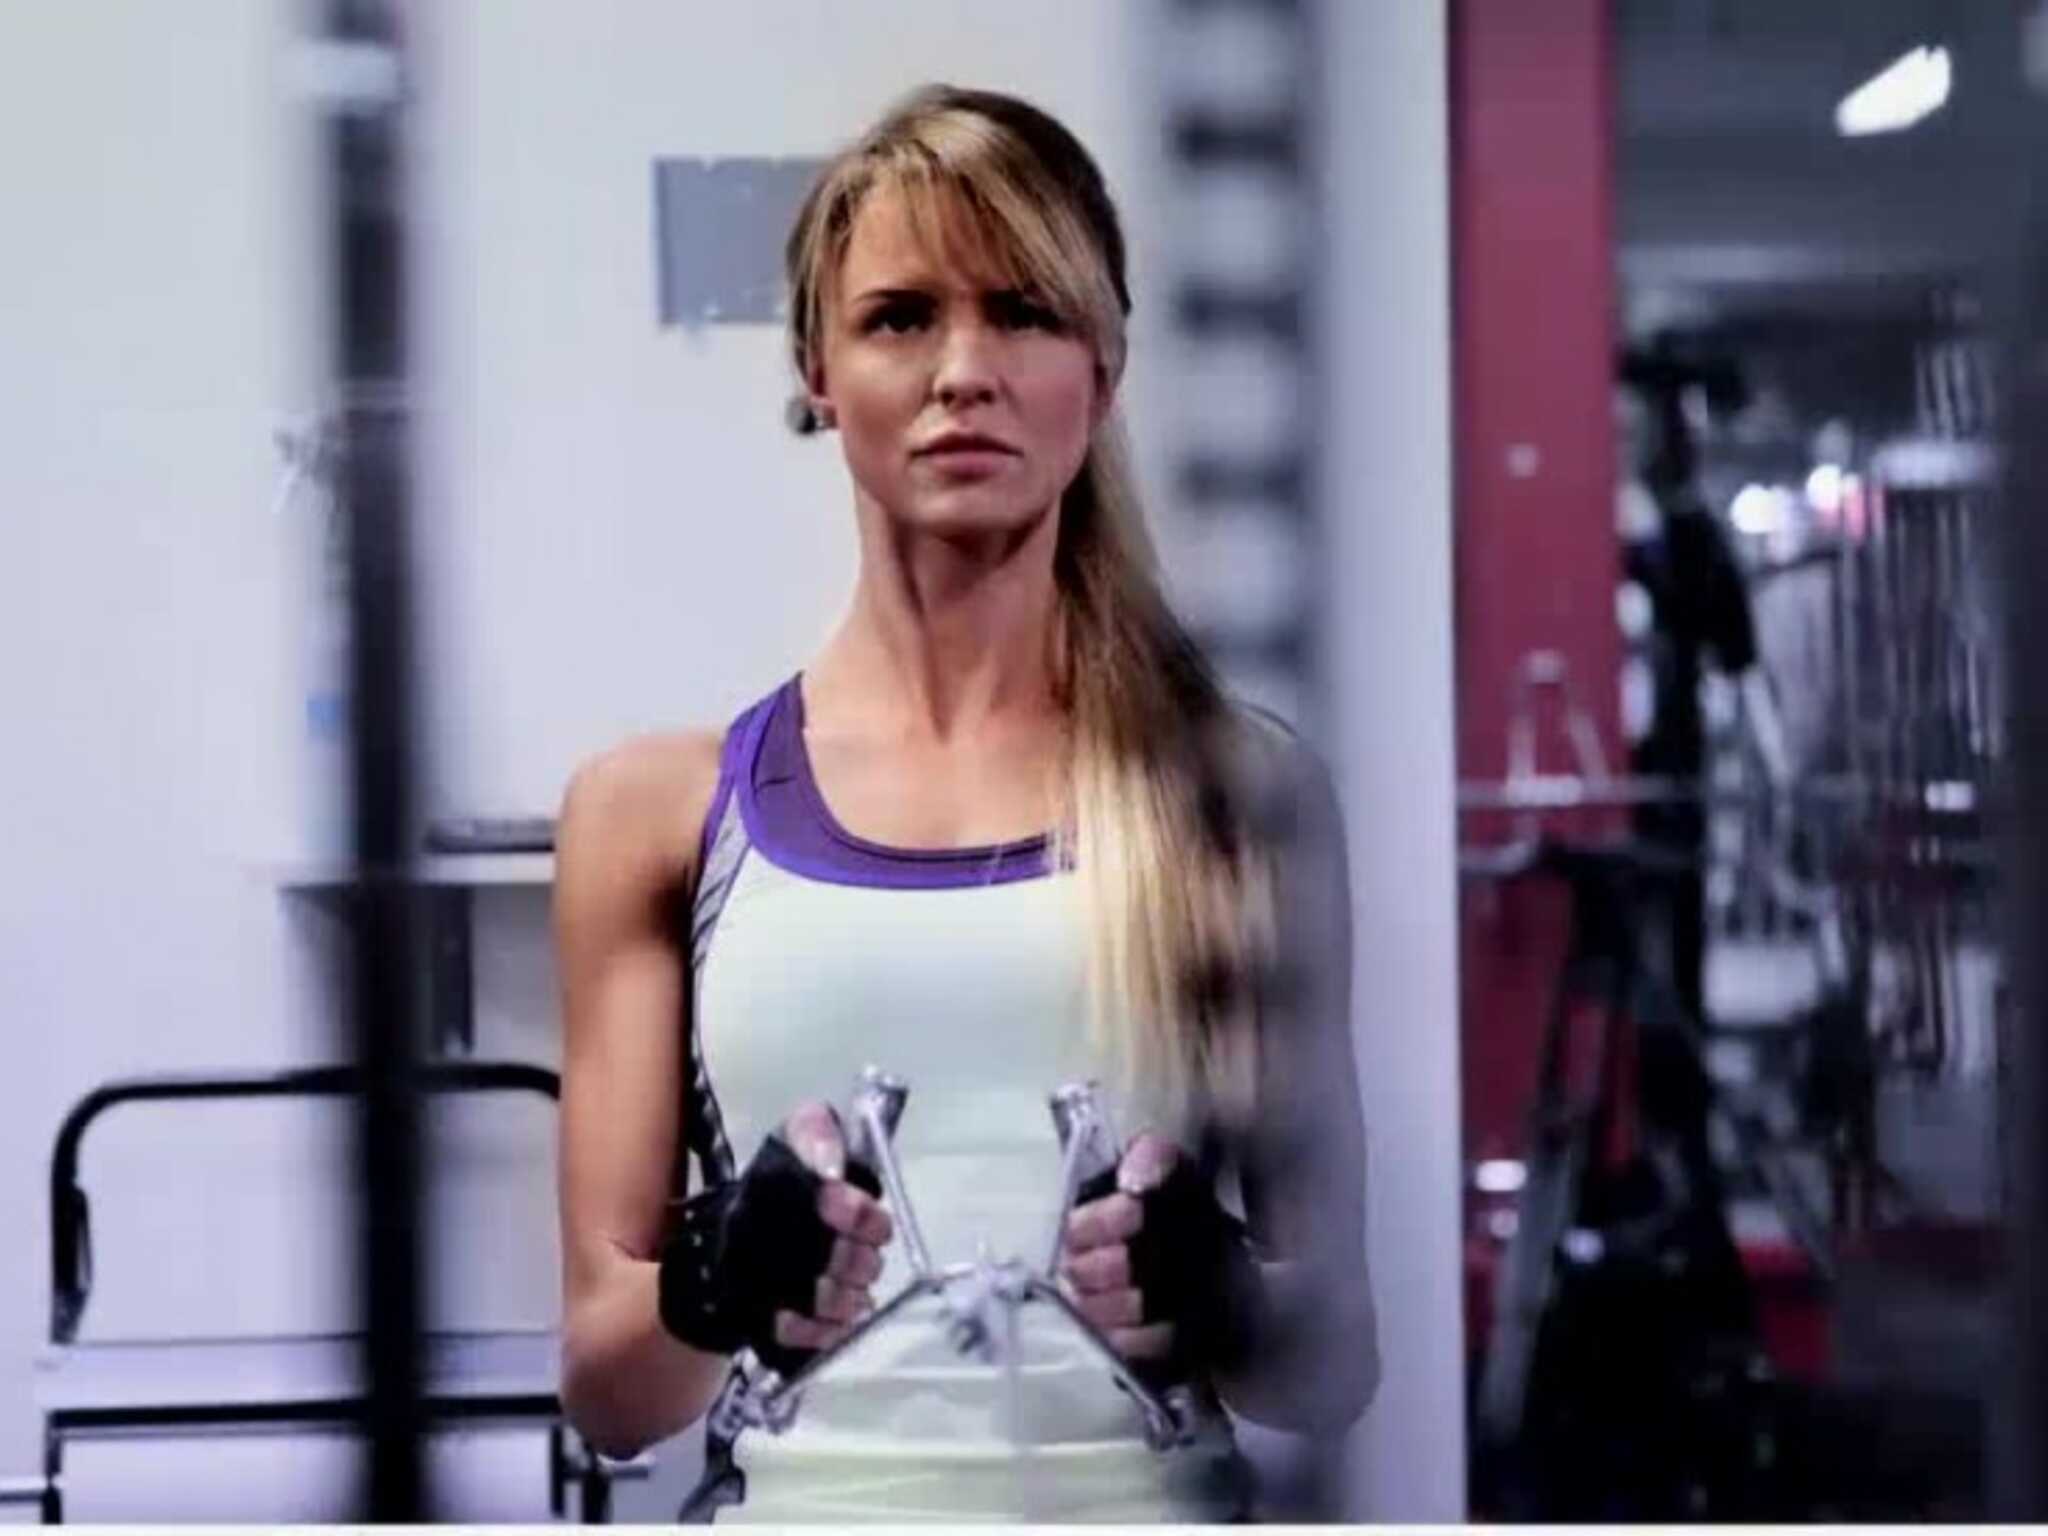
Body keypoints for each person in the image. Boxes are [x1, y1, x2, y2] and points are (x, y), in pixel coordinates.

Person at [554, 84, 1376, 1523]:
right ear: (816, 368)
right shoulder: (655, 815)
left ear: (1101, 373)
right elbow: (608, 1394)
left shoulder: (1237, 798)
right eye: (900, 318)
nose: (964, 371)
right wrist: (709, 1283)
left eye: (1025, 314)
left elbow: (1336, 1368)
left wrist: (1230, 1297)